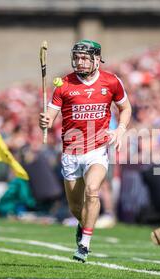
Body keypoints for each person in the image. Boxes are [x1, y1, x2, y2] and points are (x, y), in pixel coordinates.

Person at [39, 40, 132, 262]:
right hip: (71, 152)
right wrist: (45, 120)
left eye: (84, 58)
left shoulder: (111, 81)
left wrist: (120, 129)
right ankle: (83, 226)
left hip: (97, 149)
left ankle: (84, 245)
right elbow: (50, 117)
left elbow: (125, 108)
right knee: (75, 206)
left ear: (96, 59)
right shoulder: (63, 84)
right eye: (77, 57)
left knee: (92, 191)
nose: (79, 62)